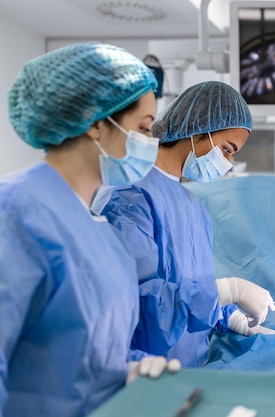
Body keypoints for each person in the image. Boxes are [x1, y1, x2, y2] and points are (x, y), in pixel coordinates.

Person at [0, 42, 179, 417]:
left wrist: (128, 367)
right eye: (143, 128)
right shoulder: (16, 212)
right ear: (96, 123)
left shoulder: (99, 227)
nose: (150, 142)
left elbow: (83, 344)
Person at [93, 81, 275, 368]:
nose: (228, 162)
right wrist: (231, 289)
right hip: (142, 375)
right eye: (227, 149)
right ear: (199, 128)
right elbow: (140, 307)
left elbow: (191, 289)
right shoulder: (128, 197)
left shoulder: (194, 209)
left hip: (189, 371)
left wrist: (231, 316)